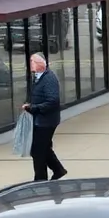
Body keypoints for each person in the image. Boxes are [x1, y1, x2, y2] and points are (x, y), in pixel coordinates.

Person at [24, 53, 66, 181]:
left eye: (33, 61)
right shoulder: (37, 77)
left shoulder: (49, 79)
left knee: (38, 151)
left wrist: (34, 108)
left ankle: (40, 179)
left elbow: (52, 101)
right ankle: (58, 169)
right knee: (43, 148)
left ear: (40, 64)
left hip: (46, 121)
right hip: (39, 120)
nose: (30, 64)